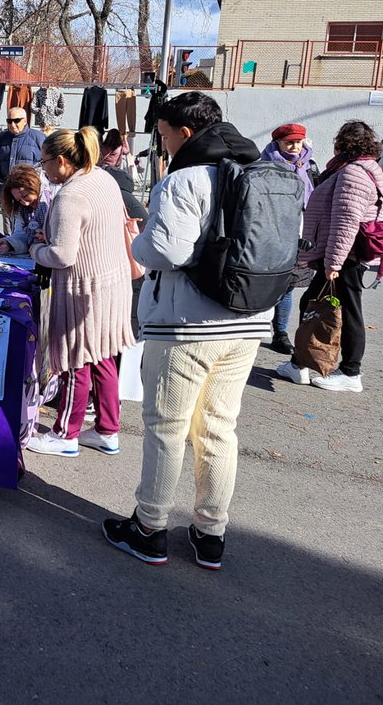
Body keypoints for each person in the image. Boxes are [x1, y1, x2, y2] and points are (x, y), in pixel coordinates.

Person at [103, 92, 271, 570]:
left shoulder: (185, 180)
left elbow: (163, 252)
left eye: (163, 134)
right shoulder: (258, 173)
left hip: (187, 325)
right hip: (248, 320)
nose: (162, 143)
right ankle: (210, 533)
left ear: (185, 133)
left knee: (166, 429)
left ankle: (150, 528)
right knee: (219, 428)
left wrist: (137, 236)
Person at [25, 127, 134, 458]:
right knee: (102, 357)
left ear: (61, 160)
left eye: (44, 163)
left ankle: (65, 434)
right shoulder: (102, 177)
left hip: (83, 289)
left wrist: (34, 251)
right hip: (112, 285)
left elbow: (61, 255)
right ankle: (107, 430)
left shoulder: (71, 194)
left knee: (76, 361)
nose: (42, 170)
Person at [276, 120, 383, 392]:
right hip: (344, 253)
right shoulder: (364, 167)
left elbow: (346, 221)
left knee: (348, 312)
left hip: (345, 256)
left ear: (344, 144)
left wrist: (333, 262)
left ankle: (351, 372)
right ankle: (298, 364)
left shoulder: (352, 173)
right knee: (311, 304)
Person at [259, 123, 315, 354]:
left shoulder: (308, 165)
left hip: (300, 232)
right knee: (263, 283)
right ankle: (254, 326)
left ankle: (280, 333)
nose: (294, 147)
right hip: (271, 231)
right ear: (277, 143)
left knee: (288, 285)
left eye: (298, 142)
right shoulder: (266, 165)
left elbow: (314, 196)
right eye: (289, 142)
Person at [0, 165, 51, 255]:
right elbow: (21, 235)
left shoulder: (51, 198)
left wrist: (48, 235)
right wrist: (8, 244)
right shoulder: (21, 210)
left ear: (34, 187)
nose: (25, 203)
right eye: (19, 200)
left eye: (25, 196)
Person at [0, 107, 46, 190]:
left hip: (30, 190)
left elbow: (48, 162)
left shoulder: (39, 138)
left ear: (25, 120)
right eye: (9, 121)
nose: (12, 124)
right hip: (5, 190)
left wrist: (36, 182)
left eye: (16, 121)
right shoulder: (0, 138)